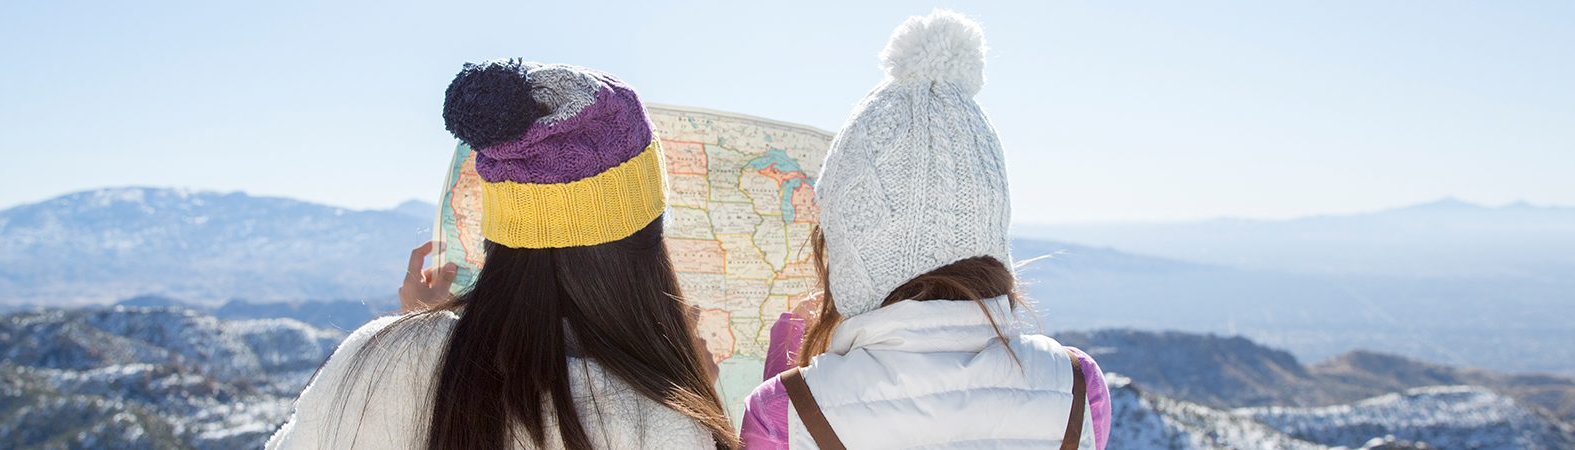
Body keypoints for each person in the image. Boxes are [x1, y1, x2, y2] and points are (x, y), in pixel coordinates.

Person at [266, 60, 737, 450]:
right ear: (642, 245)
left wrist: (420, 335)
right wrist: (695, 393)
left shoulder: (368, 360)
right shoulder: (655, 425)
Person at [740, 11, 1112, 450]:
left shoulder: (787, 410)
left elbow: (786, 431)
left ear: (847, 244)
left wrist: (790, 363)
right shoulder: (1076, 388)